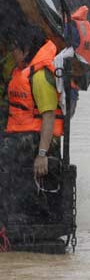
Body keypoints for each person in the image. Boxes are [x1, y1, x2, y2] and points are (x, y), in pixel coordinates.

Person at [0, 28, 64, 225]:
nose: (12, 54)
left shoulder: (39, 77)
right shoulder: (21, 72)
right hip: (23, 133)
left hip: (41, 137)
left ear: (27, 50)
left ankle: (11, 214)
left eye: (15, 50)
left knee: (4, 154)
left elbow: (49, 116)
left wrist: (42, 155)